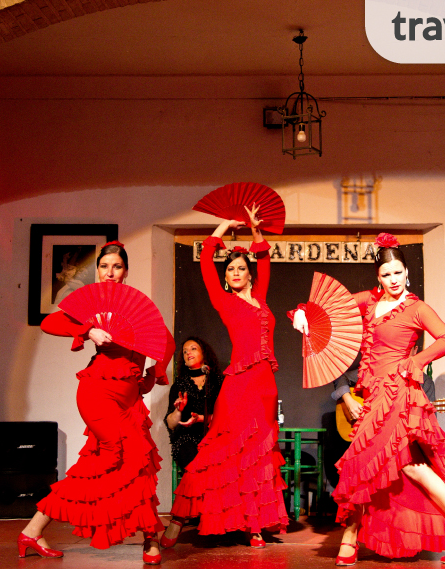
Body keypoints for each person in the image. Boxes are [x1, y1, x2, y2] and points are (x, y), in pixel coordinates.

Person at [291, 233, 445, 566]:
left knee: (412, 467)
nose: (393, 280)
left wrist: (416, 361)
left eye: (397, 273)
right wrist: (302, 314)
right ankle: (351, 539)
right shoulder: (369, 300)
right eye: (386, 274)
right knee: (367, 465)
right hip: (372, 394)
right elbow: (331, 310)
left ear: (406, 272)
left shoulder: (417, 308)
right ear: (378, 276)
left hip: (398, 394)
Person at [18, 241, 170, 565]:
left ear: (125, 271)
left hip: (130, 400)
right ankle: (35, 528)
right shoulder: (94, 305)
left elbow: (165, 341)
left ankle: (149, 537)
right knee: (115, 456)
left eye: (116, 266)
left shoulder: (135, 304)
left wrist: (154, 373)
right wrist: (89, 331)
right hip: (97, 391)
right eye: (104, 267)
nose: (110, 273)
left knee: (137, 463)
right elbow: (49, 323)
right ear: (98, 271)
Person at [161, 206, 289, 550]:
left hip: (265, 385)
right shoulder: (224, 301)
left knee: (259, 455)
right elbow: (206, 263)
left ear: (248, 274)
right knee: (222, 450)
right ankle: (177, 519)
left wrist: (256, 230)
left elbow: (264, 260)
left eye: (239, 268)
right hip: (238, 384)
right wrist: (221, 228)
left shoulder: (260, 298)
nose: (234, 272)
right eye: (229, 268)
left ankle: (254, 525)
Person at [165, 337, 223, 471]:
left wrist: (203, 418)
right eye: (185, 352)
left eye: (193, 349)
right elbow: (171, 424)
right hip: (188, 439)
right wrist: (178, 411)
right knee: (192, 455)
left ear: (204, 353)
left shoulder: (219, 382)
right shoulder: (179, 385)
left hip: (216, 435)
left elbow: (230, 417)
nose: (188, 353)